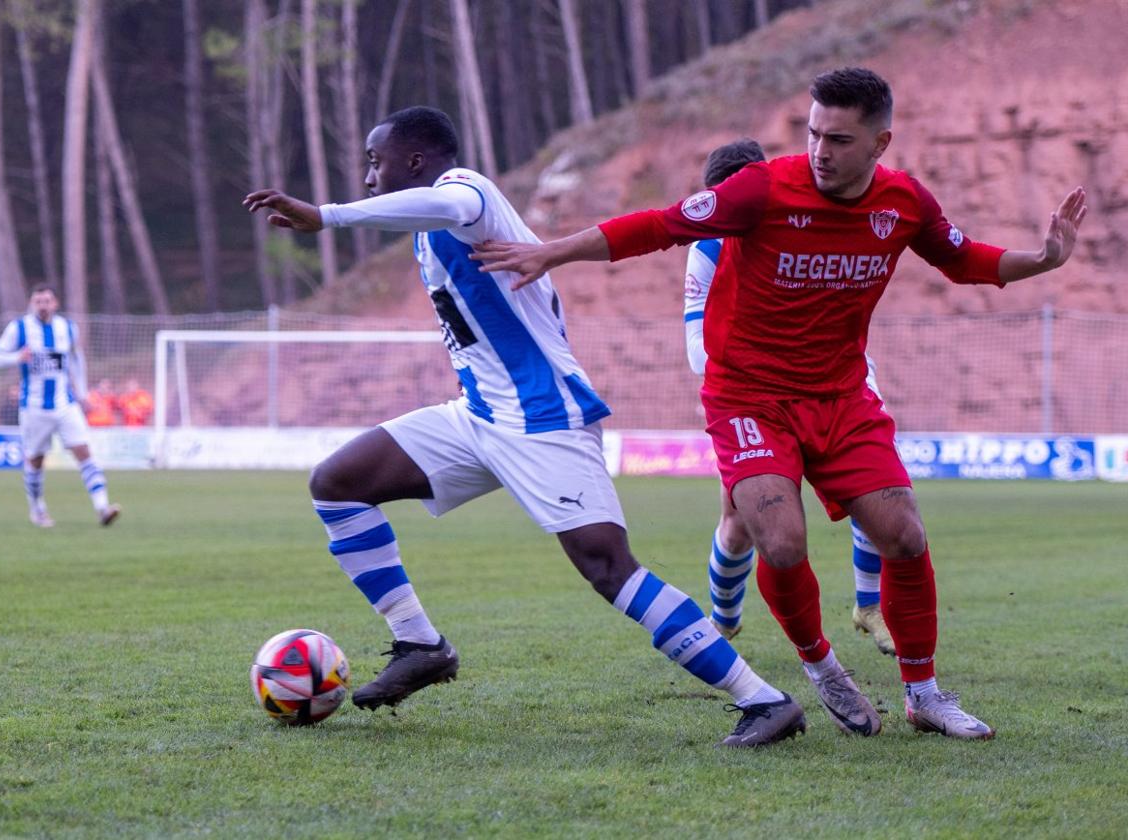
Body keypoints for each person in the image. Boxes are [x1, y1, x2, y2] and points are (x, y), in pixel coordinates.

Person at [473, 67, 1087, 741]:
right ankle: (822, 667)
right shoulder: (763, 188)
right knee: (782, 541)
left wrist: (1043, 259)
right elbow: (655, 224)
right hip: (749, 397)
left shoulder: (904, 202)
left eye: (840, 138)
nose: (821, 149)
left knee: (905, 535)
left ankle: (925, 694)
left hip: (841, 395)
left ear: (880, 142)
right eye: (814, 132)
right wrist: (550, 252)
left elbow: (964, 258)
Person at [245, 106, 805, 747]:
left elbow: (451, 204)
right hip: (481, 413)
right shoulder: (429, 229)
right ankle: (420, 643)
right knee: (338, 483)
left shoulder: (469, 193)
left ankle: (764, 701)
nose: (370, 178)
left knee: (608, 567)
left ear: (418, 162)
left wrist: (328, 215)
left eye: (377, 162)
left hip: (543, 418)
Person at [686, 139, 893, 656]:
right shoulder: (708, 246)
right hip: (753, 398)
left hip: (835, 386)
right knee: (740, 524)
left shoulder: (812, 216)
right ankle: (724, 620)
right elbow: (697, 349)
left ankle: (869, 606)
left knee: (873, 496)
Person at [0, 284, 122, 528]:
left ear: (55, 303)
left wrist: (83, 394)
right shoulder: (19, 328)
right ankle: (37, 509)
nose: (42, 305)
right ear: (31, 303)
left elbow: (75, 359)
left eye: (46, 301)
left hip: (65, 404)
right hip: (33, 407)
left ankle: (103, 507)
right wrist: (16, 357)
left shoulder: (67, 328)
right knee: (35, 460)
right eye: (38, 301)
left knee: (83, 451)